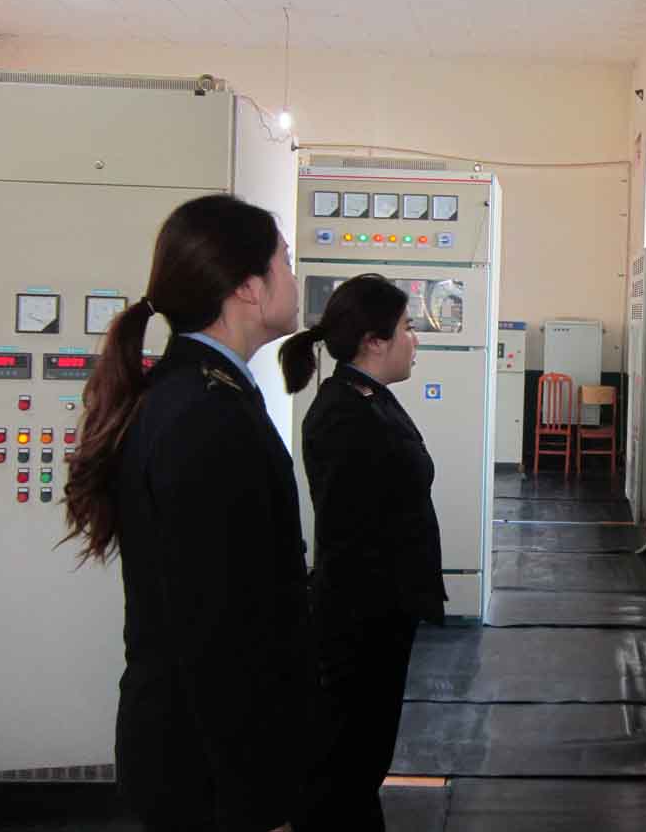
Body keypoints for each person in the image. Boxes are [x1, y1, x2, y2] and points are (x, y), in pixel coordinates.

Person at [62, 194, 308, 832]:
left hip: (191, 751)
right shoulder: (206, 414)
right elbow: (218, 630)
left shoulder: (197, 393)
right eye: (286, 260)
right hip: (205, 768)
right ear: (248, 288)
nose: (295, 276)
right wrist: (258, 800)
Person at [280, 273, 446, 832]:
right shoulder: (342, 413)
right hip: (360, 619)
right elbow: (352, 531)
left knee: (366, 753)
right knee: (349, 759)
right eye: (406, 328)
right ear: (374, 341)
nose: (414, 339)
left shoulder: (369, 399)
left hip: (383, 611)